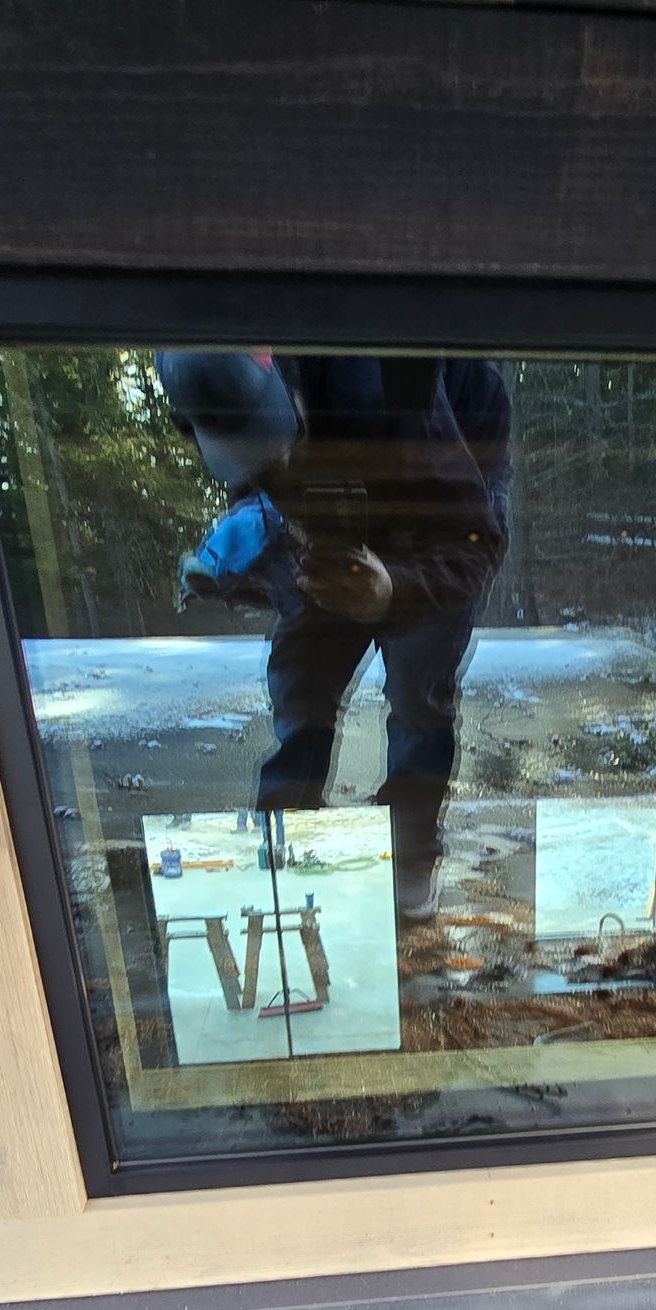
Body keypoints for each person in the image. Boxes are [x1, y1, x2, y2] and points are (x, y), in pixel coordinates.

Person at [157, 349, 510, 923]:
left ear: (288, 392)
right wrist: (238, 558)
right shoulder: (200, 366)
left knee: (419, 689)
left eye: (275, 441)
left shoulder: (400, 390)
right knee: (300, 671)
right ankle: (285, 834)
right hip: (331, 501)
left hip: (448, 503)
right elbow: (262, 497)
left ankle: (410, 852)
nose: (278, 459)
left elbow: (477, 544)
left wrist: (394, 589)